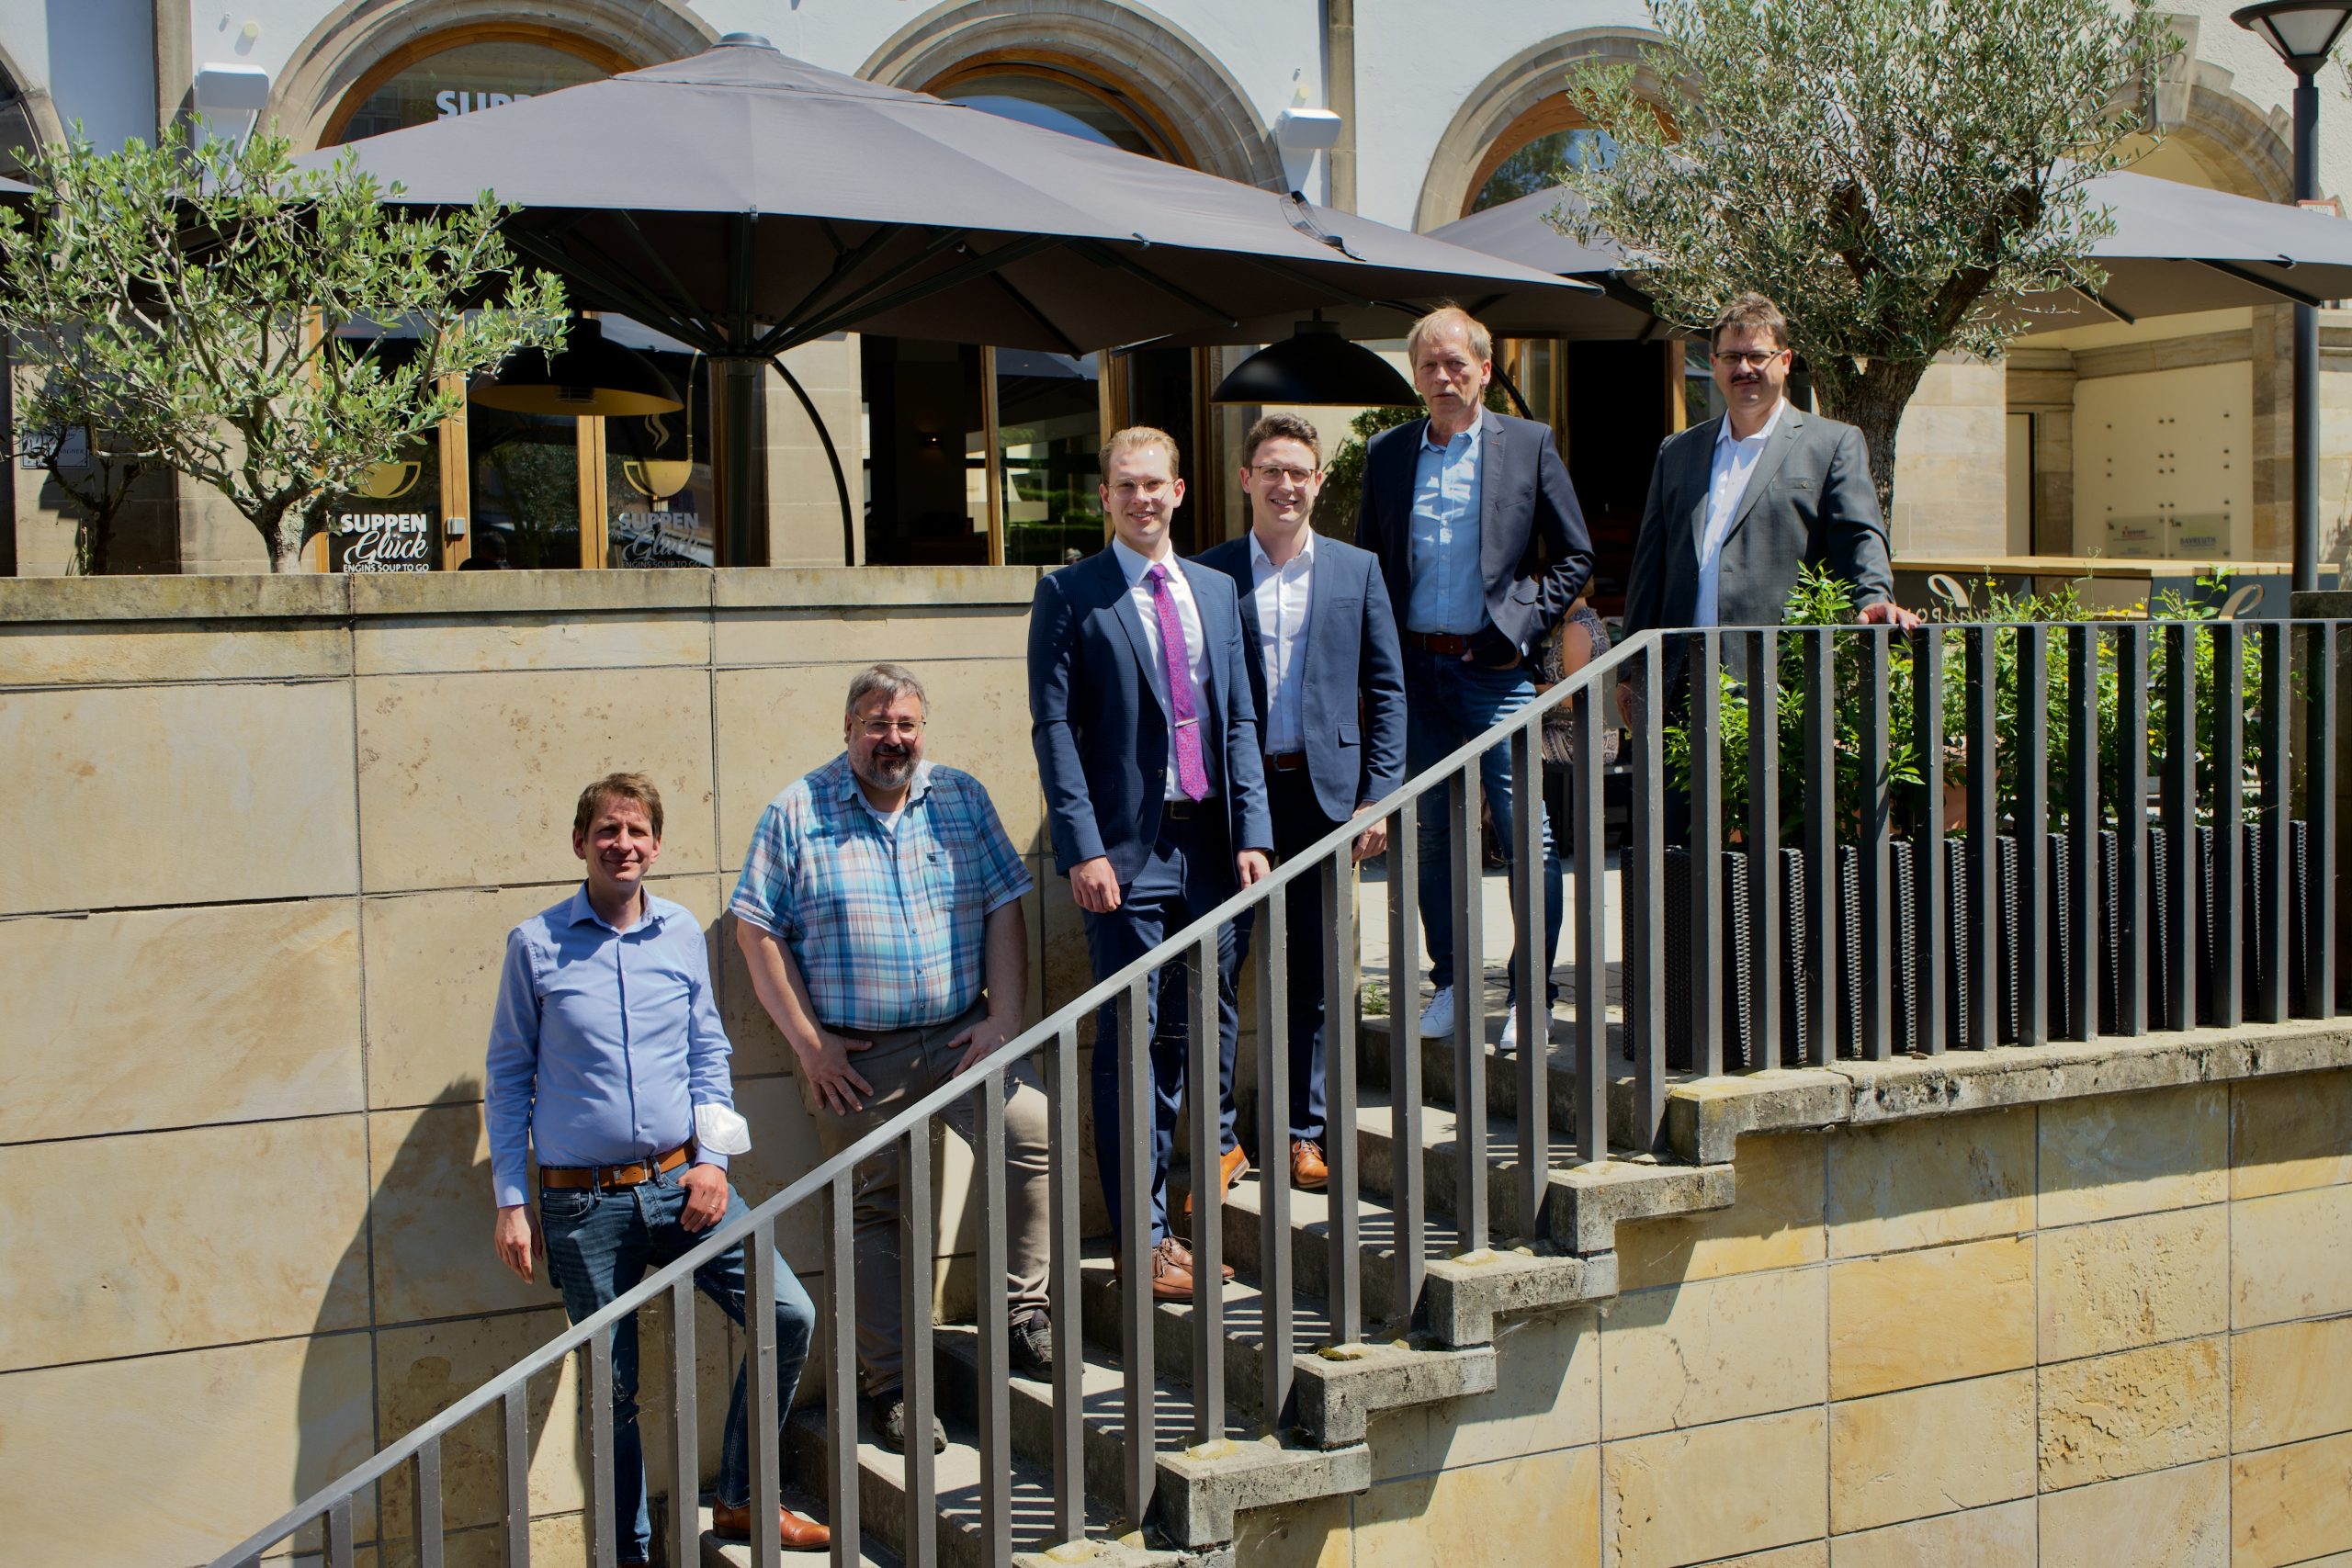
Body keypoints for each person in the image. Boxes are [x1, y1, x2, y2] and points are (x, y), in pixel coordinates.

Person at [486, 773, 828, 1559]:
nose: (623, 844)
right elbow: (507, 1077)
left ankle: (741, 1500)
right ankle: (631, 1554)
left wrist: (714, 1160)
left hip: (685, 1186)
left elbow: (709, 1053)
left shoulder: (679, 933)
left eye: (637, 831)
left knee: (787, 1315)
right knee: (612, 1393)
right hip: (583, 1207)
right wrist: (510, 1199)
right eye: (608, 830)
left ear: (657, 843)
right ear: (581, 842)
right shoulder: (535, 944)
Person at [730, 664, 1051, 1456]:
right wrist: (811, 1046)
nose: (893, 739)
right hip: (859, 1055)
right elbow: (755, 932)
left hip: (963, 1033)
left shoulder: (961, 797)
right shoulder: (797, 811)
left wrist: (1005, 1018)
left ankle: (1022, 1312)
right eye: (877, 723)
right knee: (875, 1207)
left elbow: (1006, 901)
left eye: (906, 724)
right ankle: (895, 1386)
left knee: (1030, 1130)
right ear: (849, 729)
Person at [1027, 425, 1274, 1301]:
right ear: (1105, 497)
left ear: (1179, 492)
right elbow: (1054, 730)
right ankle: (1143, 1238)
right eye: (1124, 485)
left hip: (1212, 848)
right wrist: (1083, 847)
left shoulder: (1216, 589)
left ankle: (1187, 1200)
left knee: (1199, 1032)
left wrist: (1253, 832)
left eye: (1154, 484)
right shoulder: (1069, 593)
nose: (1141, 498)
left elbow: (1240, 717)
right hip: (1125, 858)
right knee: (1132, 1043)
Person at [1353, 305, 1595, 1053]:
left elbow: (1576, 554)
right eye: (1429, 365)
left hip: (1494, 671)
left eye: (1456, 363)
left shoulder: (1527, 444)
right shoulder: (1389, 454)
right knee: (1431, 834)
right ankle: (1453, 983)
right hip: (1415, 674)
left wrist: (1522, 623)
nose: (1443, 376)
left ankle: (1532, 994)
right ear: (1415, 376)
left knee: (1529, 832)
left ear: (1485, 370)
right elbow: (1368, 566)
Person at [1194, 412, 1406, 1190]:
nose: (1285, 484)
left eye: (1299, 471)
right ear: (1246, 479)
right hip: (1235, 799)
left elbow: (1387, 690)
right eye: (1271, 470)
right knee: (1220, 965)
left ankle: (1301, 1133)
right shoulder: (1210, 574)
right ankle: (1222, 1138)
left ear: (1318, 481)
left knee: (1314, 971)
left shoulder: (1358, 570)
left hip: (1327, 799)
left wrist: (1379, 795)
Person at [1621, 291, 1918, 694]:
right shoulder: (1676, 452)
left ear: (1785, 360)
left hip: (1783, 681)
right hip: (1679, 682)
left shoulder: (1831, 444)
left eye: (1757, 356)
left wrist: (1873, 596)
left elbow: (1859, 537)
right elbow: (1649, 568)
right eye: (1732, 357)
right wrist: (1631, 671)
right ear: (1714, 365)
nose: (1744, 368)